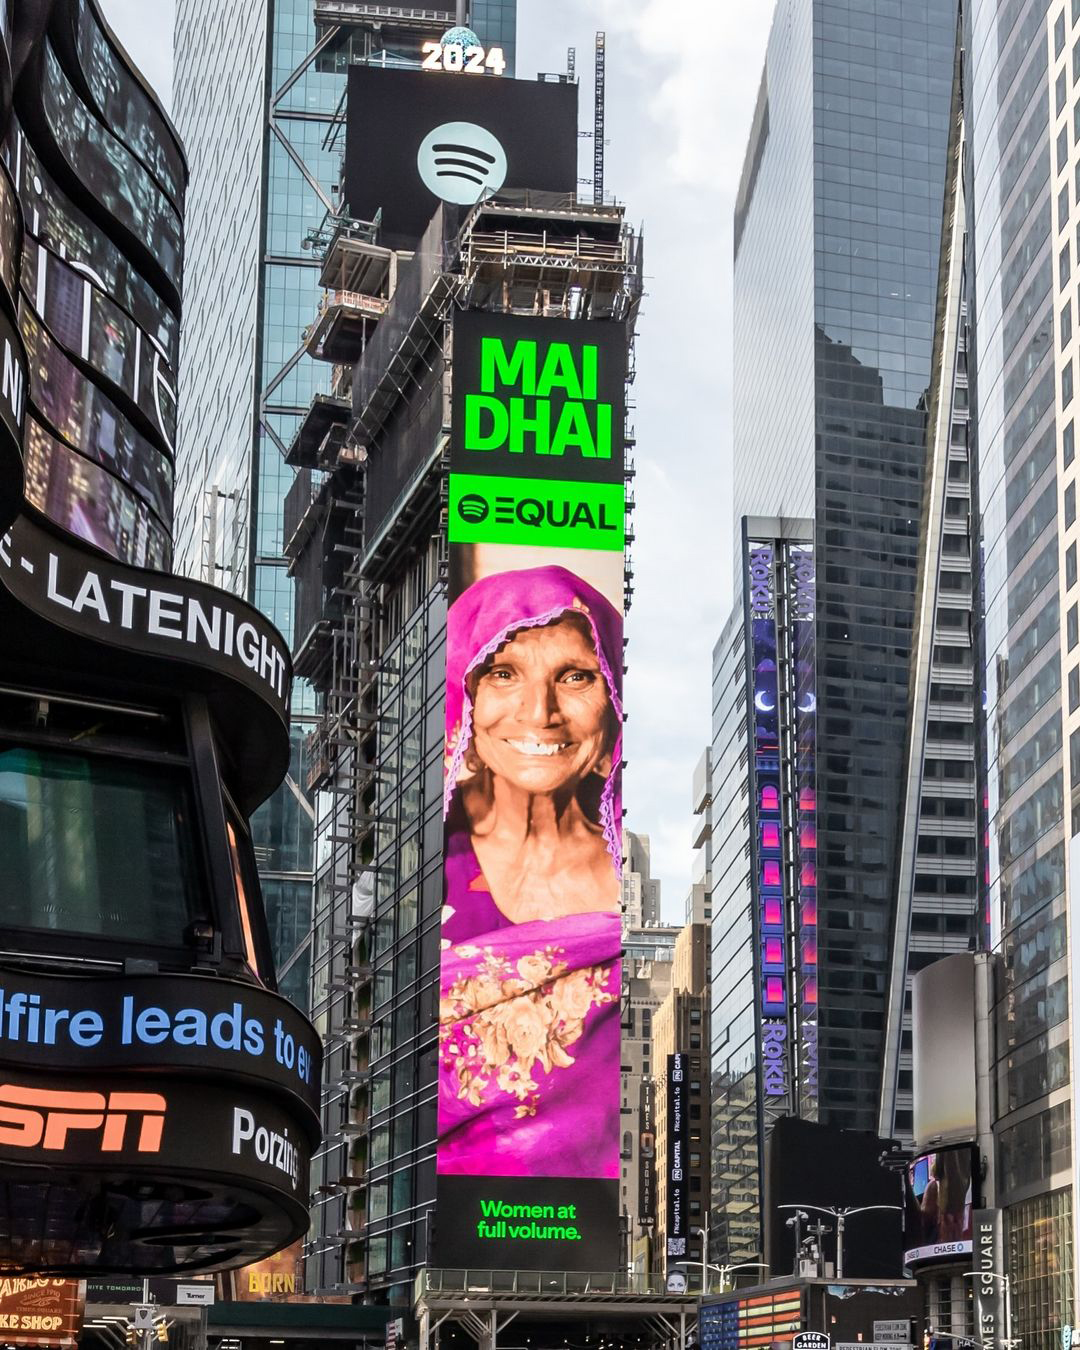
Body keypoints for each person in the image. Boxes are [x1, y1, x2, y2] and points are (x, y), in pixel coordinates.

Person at [438, 564, 623, 1179]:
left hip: (587, 1238)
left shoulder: (626, 888)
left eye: (574, 676)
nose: (539, 712)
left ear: (613, 697)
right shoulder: (422, 863)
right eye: (503, 673)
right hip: (421, 1220)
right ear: (468, 697)